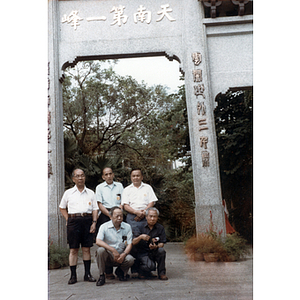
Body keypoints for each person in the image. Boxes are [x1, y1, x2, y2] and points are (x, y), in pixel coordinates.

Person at [59, 169, 98, 284]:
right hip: (73, 221)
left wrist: (94, 222)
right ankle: (73, 276)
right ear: (73, 179)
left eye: (82, 176)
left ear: (85, 177)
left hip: (87, 220)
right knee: (73, 249)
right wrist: (68, 219)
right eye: (77, 176)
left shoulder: (91, 193)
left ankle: (87, 274)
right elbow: (62, 207)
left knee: (86, 249)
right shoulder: (68, 193)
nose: (80, 178)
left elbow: (95, 209)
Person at [95, 167, 124, 279]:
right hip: (105, 214)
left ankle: (120, 268)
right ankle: (107, 271)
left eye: (110, 173)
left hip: (118, 214)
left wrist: (118, 214)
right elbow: (99, 204)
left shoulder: (120, 186)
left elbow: (122, 201)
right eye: (106, 174)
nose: (108, 176)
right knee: (106, 240)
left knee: (120, 238)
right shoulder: (99, 187)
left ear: (113, 174)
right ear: (103, 176)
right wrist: (110, 215)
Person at [95, 206, 135, 286]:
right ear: (110, 216)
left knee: (130, 259)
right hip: (109, 255)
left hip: (121, 255)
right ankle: (102, 275)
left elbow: (130, 244)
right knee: (100, 250)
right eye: (117, 216)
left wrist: (123, 254)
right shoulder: (104, 226)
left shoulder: (127, 227)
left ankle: (120, 271)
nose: (120, 218)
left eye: (121, 216)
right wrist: (112, 250)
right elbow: (98, 241)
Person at [131, 207, 168, 280]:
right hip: (142, 253)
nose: (152, 219)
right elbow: (133, 242)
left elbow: (162, 243)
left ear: (157, 217)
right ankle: (140, 270)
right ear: (146, 217)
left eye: (154, 216)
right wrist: (140, 237)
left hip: (153, 251)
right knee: (151, 266)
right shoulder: (139, 226)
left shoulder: (160, 228)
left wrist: (156, 246)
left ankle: (162, 273)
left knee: (161, 251)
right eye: (150, 216)